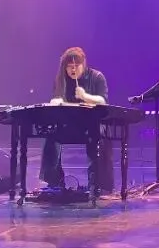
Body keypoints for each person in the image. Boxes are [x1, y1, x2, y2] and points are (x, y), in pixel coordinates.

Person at [40, 47, 114, 194]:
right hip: (69, 125)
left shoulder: (97, 77)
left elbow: (103, 101)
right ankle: (54, 182)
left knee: (101, 136)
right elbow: (56, 98)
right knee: (50, 134)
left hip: (93, 124)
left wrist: (85, 96)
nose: (72, 70)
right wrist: (55, 102)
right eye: (69, 67)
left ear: (83, 64)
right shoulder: (61, 80)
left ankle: (98, 183)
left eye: (76, 66)